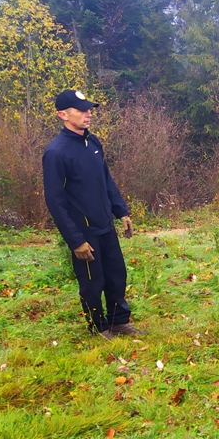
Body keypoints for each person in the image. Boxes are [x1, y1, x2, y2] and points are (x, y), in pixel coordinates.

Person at [43, 89, 140, 339]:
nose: (87, 114)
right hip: (84, 233)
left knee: (116, 275)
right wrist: (75, 240)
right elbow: (55, 201)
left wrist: (121, 211)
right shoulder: (56, 153)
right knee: (92, 283)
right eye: (81, 110)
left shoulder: (93, 142)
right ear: (62, 114)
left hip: (105, 226)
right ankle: (99, 328)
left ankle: (119, 322)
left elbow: (106, 180)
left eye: (88, 110)